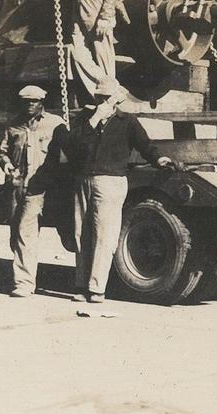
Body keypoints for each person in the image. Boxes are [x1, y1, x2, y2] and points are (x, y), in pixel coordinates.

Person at [71, 86, 181, 303]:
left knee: (105, 235)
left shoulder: (127, 121)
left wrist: (158, 159)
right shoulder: (85, 120)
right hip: (84, 180)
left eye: (107, 97)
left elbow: (145, 145)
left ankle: (96, 288)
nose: (102, 100)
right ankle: (81, 285)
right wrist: (93, 120)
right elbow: (74, 145)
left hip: (110, 181)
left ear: (116, 100)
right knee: (80, 234)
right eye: (100, 96)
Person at [0, 84, 69, 299]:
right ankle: (26, 274)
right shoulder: (13, 126)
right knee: (16, 233)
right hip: (17, 187)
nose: (30, 105)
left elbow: (68, 153)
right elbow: (2, 152)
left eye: (34, 101)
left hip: (41, 188)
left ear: (42, 103)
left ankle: (24, 283)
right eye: (26, 101)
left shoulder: (55, 124)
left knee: (25, 233)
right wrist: (6, 164)